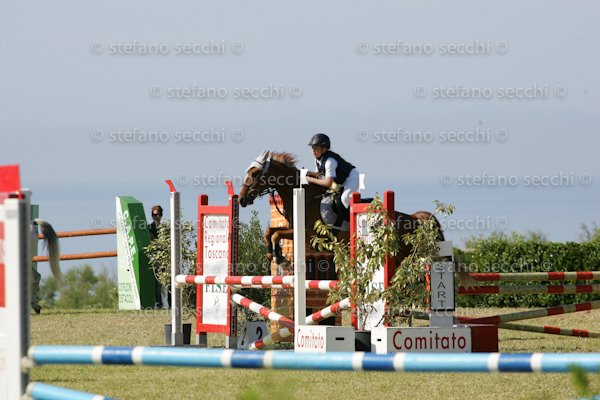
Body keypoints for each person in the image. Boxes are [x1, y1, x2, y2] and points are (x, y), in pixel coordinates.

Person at [306, 133, 360, 229]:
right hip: (339, 181)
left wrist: (310, 179)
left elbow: (328, 183)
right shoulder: (318, 159)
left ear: (324, 149)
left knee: (345, 199)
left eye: (316, 148)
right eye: (312, 148)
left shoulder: (330, 161)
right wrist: (307, 173)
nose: (313, 151)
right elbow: (318, 174)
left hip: (351, 178)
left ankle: (356, 224)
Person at [148, 205, 170, 309]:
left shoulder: (165, 228)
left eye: (158, 214)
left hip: (166, 257)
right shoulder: (149, 228)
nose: (156, 216)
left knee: (169, 282)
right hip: (156, 257)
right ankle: (159, 304)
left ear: (161, 215)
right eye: (154, 214)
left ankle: (171, 304)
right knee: (157, 283)